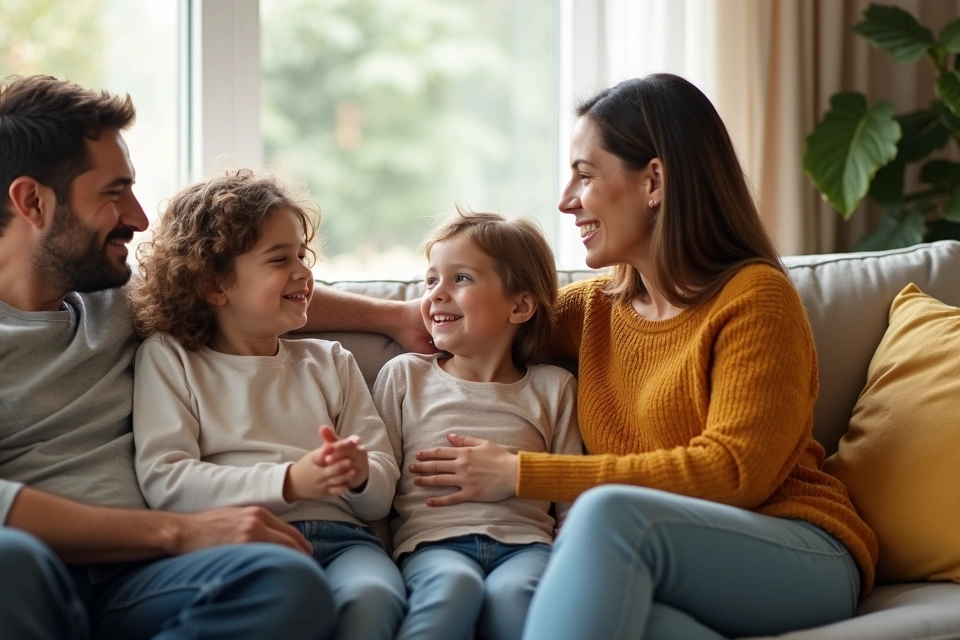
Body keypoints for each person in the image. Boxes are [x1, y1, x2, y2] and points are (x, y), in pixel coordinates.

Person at [304, 73, 878, 639]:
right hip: (667, 562)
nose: (564, 201)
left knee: (604, 516)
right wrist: (387, 316)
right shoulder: (595, 312)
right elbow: (469, 313)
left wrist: (520, 473)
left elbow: (735, 474)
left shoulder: (754, 299)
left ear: (654, 181)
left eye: (584, 175)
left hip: (795, 548)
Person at [0, 76, 336, 640]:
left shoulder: (112, 302)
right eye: (113, 192)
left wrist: (397, 316)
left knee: (284, 580)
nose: (140, 217)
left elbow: (241, 291)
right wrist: (177, 532)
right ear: (32, 201)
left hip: (130, 586)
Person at [128, 169, 406, 640]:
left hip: (345, 543)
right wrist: (291, 480)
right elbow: (167, 482)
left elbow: (382, 491)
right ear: (215, 286)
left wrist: (361, 473)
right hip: (239, 543)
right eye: (279, 259)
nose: (303, 271)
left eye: (303, 254)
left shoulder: (330, 361)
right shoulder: (171, 358)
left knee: (375, 594)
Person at [373, 210, 582, 640]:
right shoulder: (405, 376)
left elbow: (570, 495)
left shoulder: (554, 387)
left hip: (527, 548)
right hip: (432, 546)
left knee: (516, 594)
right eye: (431, 281)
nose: (436, 295)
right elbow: (379, 483)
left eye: (461, 279)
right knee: (454, 585)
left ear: (520, 306)